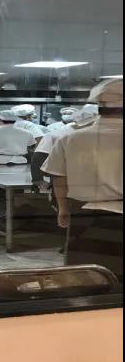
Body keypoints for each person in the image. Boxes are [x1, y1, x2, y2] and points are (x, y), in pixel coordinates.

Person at [42, 79, 123, 278]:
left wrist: (63, 208)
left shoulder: (70, 138)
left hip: (85, 211)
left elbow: (59, 177)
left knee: (86, 273)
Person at [31, 105, 99, 189]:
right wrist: (38, 179)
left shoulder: (98, 135)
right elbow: (39, 156)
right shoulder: (57, 134)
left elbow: (39, 156)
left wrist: (37, 179)